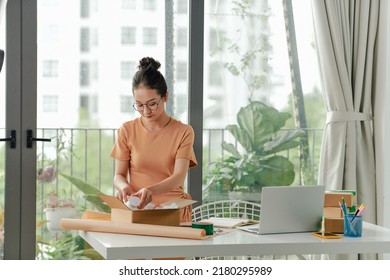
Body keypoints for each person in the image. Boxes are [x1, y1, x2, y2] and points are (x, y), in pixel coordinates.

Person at [111, 57, 197, 222]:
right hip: (138, 211)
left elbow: (179, 177)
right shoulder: (126, 130)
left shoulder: (184, 132)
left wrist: (150, 190)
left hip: (174, 211)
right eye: (139, 105)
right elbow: (119, 175)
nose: (146, 111)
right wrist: (124, 187)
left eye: (152, 104)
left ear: (165, 96)